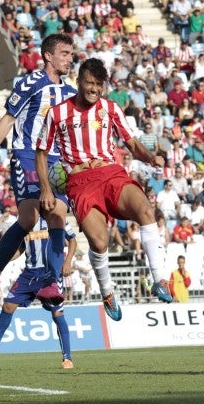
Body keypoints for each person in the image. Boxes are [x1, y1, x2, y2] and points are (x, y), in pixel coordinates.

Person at [36, 58, 172, 322]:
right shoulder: (57, 113)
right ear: (79, 81)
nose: (94, 90)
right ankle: (107, 292)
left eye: (99, 85)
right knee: (100, 242)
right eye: (90, 83)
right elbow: (41, 153)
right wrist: (46, 190)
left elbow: (132, 144)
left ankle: (160, 279)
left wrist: (151, 157)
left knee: (145, 210)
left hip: (111, 173)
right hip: (80, 182)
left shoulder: (110, 108)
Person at [0, 34, 76, 305]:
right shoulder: (30, 83)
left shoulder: (71, 92)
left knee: (57, 216)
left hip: (57, 162)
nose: (69, 58)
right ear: (48, 56)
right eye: (64, 53)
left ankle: (51, 283)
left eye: (71, 53)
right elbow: (8, 119)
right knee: (29, 218)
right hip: (27, 155)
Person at [0, 216, 77, 368]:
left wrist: (68, 261)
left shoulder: (56, 217)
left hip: (50, 273)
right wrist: (3, 258)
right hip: (29, 273)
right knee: (8, 306)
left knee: (57, 313)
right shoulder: (26, 220)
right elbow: (20, 248)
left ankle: (67, 358)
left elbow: (72, 240)